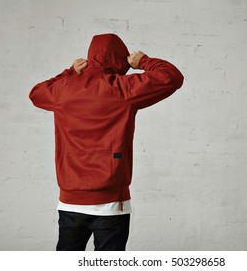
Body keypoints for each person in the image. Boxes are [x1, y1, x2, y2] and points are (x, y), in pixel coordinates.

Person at [29, 33, 184, 251]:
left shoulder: (64, 89)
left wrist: (71, 71)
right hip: (112, 204)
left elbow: (36, 93)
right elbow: (172, 77)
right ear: (119, 59)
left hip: (70, 201)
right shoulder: (122, 89)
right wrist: (144, 62)